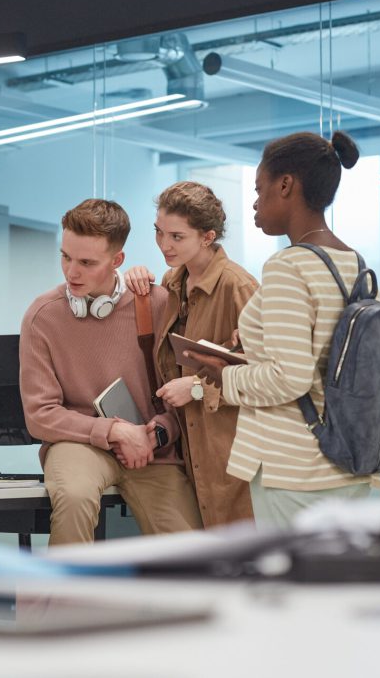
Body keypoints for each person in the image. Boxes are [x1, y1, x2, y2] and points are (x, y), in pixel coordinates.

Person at [183, 132, 379, 528]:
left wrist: (224, 372)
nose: (254, 202)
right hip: (351, 459)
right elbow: (326, 362)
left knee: (295, 588)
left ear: (285, 185)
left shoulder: (288, 266)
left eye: (259, 188)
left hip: (295, 470)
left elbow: (290, 377)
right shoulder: (354, 263)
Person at [19, 198, 202, 545]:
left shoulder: (158, 303)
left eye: (87, 262)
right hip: (78, 444)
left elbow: (181, 398)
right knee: (73, 498)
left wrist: (157, 433)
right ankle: (61, 600)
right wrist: (113, 431)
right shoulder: (42, 315)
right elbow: (39, 416)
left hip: (150, 450)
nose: (72, 272)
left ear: (117, 260)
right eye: (66, 257)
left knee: (189, 544)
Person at [123, 181, 258, 527]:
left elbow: (265, 376)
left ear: (208, 237)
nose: (164, 244)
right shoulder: (172, 282)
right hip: (189, 446)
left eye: (177, 237)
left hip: (231, 449)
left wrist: (196, 387)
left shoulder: (237, 286)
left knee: (238, 559)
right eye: (159, 232)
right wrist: (137, 279)